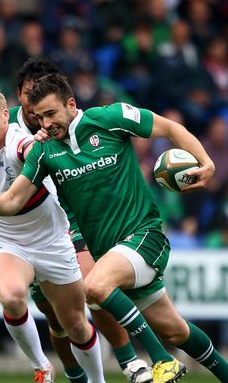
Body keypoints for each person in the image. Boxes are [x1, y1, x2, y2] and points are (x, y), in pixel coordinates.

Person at [0, 73, 228, 383]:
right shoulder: (43, 152)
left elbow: (170, 128)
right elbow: (13, 199)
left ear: (71, 104)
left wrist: (206, 162)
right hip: (111, 252)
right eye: (39, 118)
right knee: (175, 329)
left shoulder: (110, 117)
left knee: (93, 287)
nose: (46, 123)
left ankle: (161, 360)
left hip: (145, 235)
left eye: (51, 114)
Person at [0, 86, 106, 383]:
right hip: (6, 240)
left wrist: (37, 144)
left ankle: (97, 381)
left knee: (75, 324)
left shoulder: (20, 142)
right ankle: (42, 367)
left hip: (52, 238)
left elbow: (29, 149)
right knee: (11, 297)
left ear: (4, 114)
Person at [12, 57, 151, 383]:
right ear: (19, 95)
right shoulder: (12, 131)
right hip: (31, 230)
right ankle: (76, 377)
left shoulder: (67, 122)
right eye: (30, 93)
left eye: (43, 94)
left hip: (69, 220)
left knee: (93, 287)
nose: (37, 104)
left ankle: (129, 361)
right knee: (56, 318)